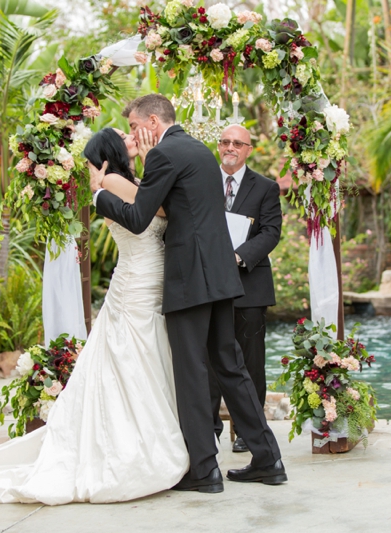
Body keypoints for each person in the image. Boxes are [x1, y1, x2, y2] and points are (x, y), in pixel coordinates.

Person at [0, 128, 189, 506]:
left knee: (136, 362)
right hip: (138, 283)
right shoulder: (120, 181)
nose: (129, 135)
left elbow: (150, 206)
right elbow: (158, 209)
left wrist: (132, 174)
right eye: (124, 135)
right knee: (137, 362)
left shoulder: (120, 180)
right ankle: (143, 444)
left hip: (141, 282)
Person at [90, 94, 285, 491]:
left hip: (190, 279)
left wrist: (99, 196)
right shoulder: (198, 150)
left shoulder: (163, 155)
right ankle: (269, 459)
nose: (132, 135)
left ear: (152, 122)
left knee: (193, 372)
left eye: (133, 127)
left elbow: (138, 217)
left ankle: (204, 470)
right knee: (231, 367)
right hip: (220, 277)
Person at [209, 125, 282, 453]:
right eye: (225, 142)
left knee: (251, 363)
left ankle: (247, 432)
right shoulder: (204, 182)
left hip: (249, 284)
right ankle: (208, 429)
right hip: (209, 284)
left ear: (249, 149)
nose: (230, 147)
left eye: (237, 143)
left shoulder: (265, 187)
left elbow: (271, 231)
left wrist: (240, 256)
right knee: (208, 358)